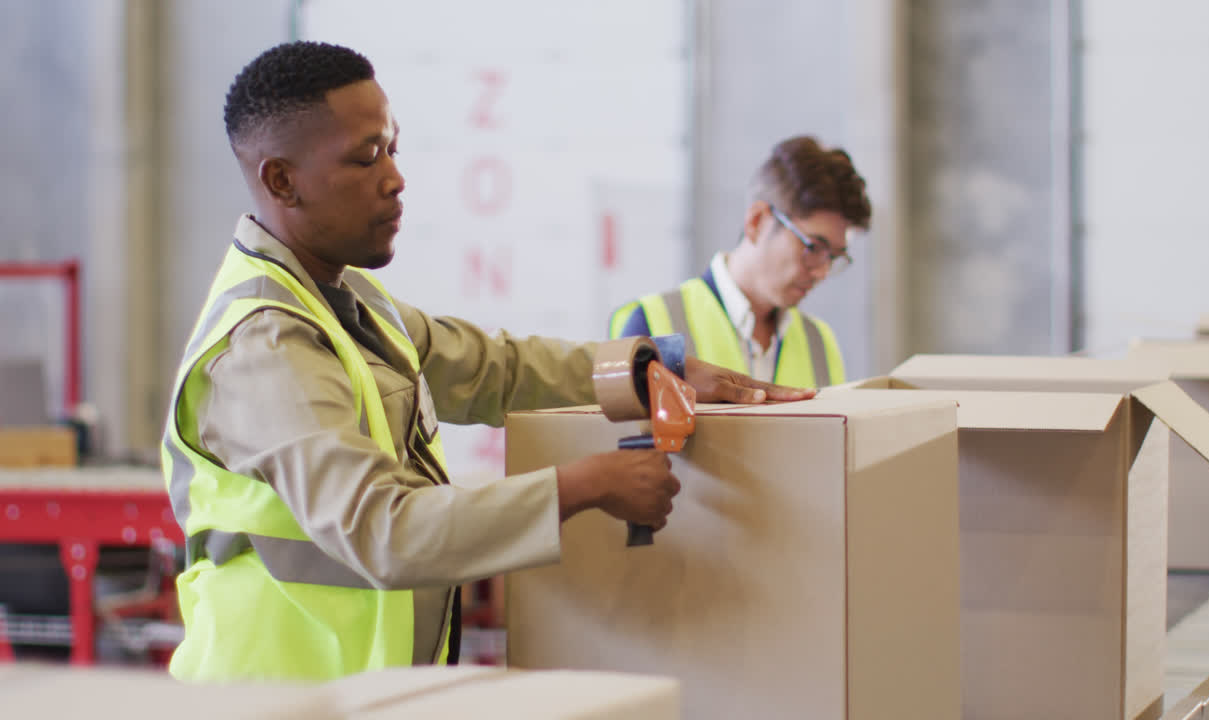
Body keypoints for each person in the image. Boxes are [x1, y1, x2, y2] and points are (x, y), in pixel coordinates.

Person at [160, 41, 812, 683]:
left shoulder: (346, 300)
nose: (395, 178)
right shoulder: (265, 348)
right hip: (275, 695)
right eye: (365, 157)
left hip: (360, 691)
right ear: (281, 180)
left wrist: (649, 371)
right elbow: (385, 532)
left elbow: (493, 368)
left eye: (393, 148)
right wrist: (586, 485)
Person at [609, 136, 872, 388]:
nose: (822, 271)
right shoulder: (650, 323)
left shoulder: (820, 343)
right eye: (813, 247)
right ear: (757, 221)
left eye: (833, 256)